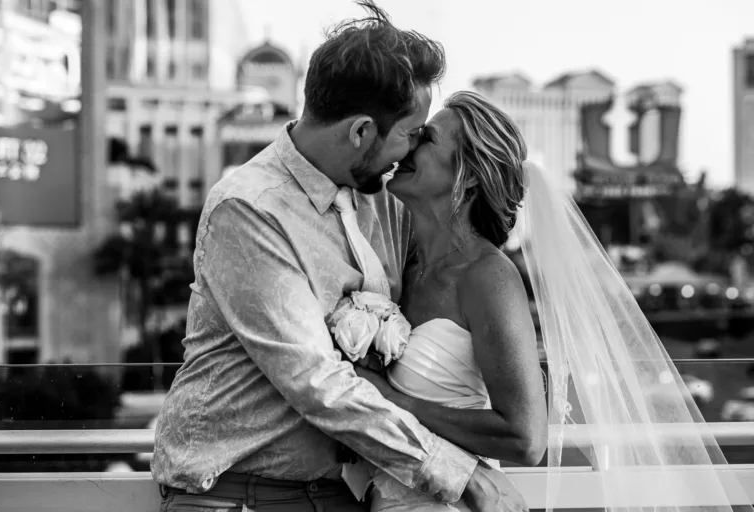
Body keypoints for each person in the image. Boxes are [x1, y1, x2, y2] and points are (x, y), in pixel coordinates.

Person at [151, 4, 523, 511]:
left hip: (344, 495)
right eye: (408, 135)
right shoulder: (250, 209)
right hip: (238, 496)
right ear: (361, 132)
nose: (409, 153)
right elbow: (314, 381)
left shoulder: (386, 201)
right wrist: (462, 476)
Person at [356, 91, 750, 512]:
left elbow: (526, 437)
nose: (408, 144)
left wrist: (393, 401)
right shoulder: (402, 262)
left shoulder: (488, 276)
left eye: (427, 138)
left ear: (467, 177)